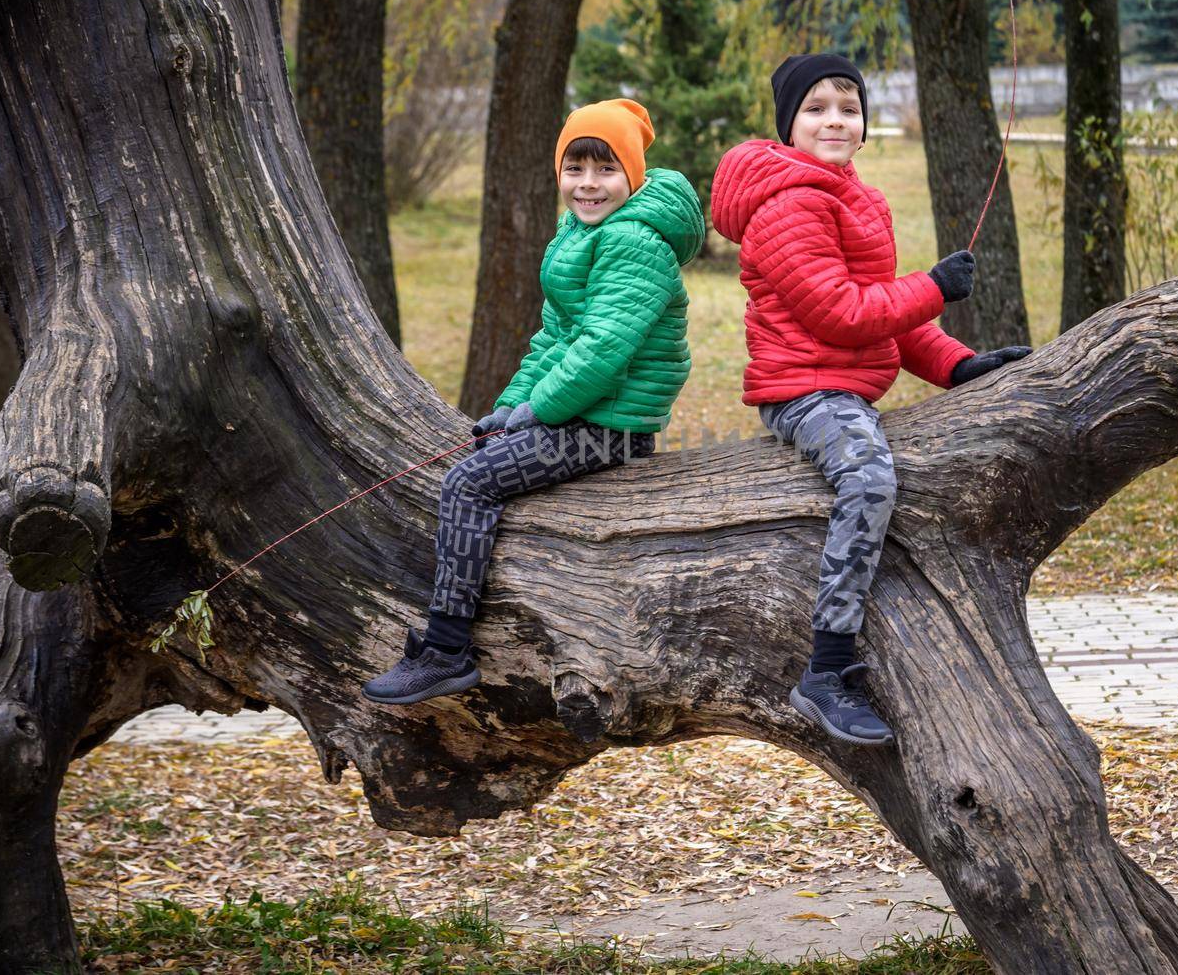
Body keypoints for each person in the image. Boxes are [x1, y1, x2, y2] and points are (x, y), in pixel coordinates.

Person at [709, 54, 1029, 744]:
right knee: (869, 476)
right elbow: (840, 313)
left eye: (848, 108)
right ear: (788, 124)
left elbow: (889, 320)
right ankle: (826, 667)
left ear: (864, 125)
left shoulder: (858, 198)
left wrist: (959, 365)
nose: (835, 120)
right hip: (805, 389)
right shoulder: (786, 204)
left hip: (846, 384)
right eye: (817, 108)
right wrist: (934, 285)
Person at [365, 98, 703, 704]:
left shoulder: (634, 243)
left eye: (606, 170)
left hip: (611, 425)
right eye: (576, 168)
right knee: (477, 461)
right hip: (582, 411)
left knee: (468, 484)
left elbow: (601, 351)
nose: (589, 184)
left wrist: (536, 412)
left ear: (634, 174)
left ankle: (446, 651)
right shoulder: (577, 234)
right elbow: (553, 339)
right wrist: (510, 406)